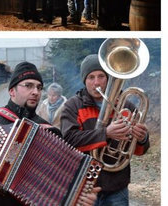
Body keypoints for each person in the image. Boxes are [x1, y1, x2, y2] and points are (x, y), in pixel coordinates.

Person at [0, 62, 100, 206]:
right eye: (28, 86)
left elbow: (60, 183)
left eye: (39, 87)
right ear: (12, 91)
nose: (35, 92)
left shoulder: (49, 131)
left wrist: (80, 197)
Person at [60, 54, 150, 206]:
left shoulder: (126, 106)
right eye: (91, 77)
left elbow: (139, 151)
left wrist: (142, 138)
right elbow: (69, 141)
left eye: (101, 76)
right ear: (85, 81)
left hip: (117, 185)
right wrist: (106, 133)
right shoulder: (72, 106)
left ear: (108, 79)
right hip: (84, 187)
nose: (97, 82)